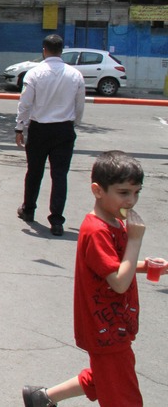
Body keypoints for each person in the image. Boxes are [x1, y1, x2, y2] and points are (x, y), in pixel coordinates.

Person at [22, 150, 162, 407]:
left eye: (136, 192)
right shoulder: (97, 230)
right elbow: (119, 282)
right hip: (105, 327)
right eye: (123, 192)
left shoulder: (115, 223)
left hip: (114, 325)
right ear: (98, 190)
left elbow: (114, 266)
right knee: (123, 394)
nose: (131, 201)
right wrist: (135, 240)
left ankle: (41, 397)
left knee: (107, 375)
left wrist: (148, 266)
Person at [15, 34, 86, 236]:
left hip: (39, 129)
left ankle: (29, 209)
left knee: (34, 171)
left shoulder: (34, 73)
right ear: (61, 51)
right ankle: (56, 221)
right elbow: (79, 104)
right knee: (60, 175)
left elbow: (25, 103)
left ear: (44, 50)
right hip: (64, 129)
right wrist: (74, 123)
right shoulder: (75, 75)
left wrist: (19, 127)